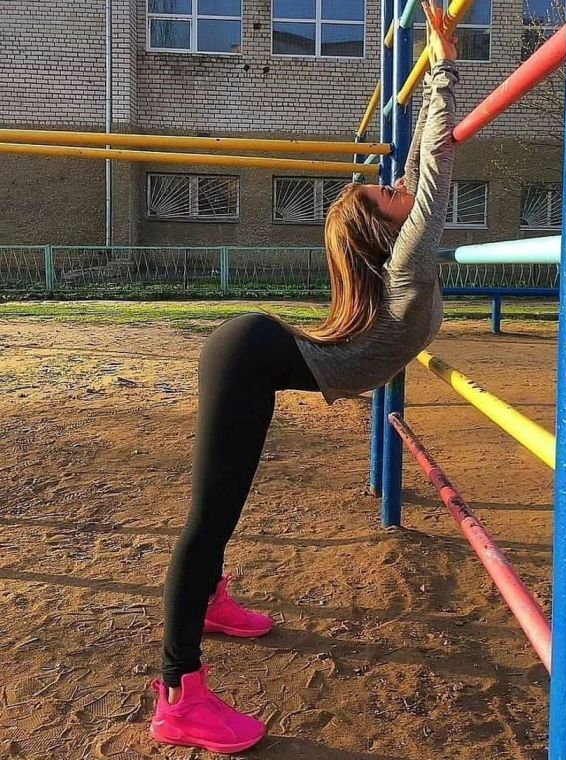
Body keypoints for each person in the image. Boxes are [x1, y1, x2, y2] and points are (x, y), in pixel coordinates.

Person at [149, 2, 459, 753]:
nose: (399, 187)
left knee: (221, 510)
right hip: (247, 353)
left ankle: (212, 602)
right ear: (389, 228)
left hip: (253, 351)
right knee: (208, 520)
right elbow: (435, 170)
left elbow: (418, 169)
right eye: (389, 196)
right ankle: (178, 697)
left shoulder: (396, 271)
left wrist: (429, 77)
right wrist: (444, 71)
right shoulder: (408, 264)